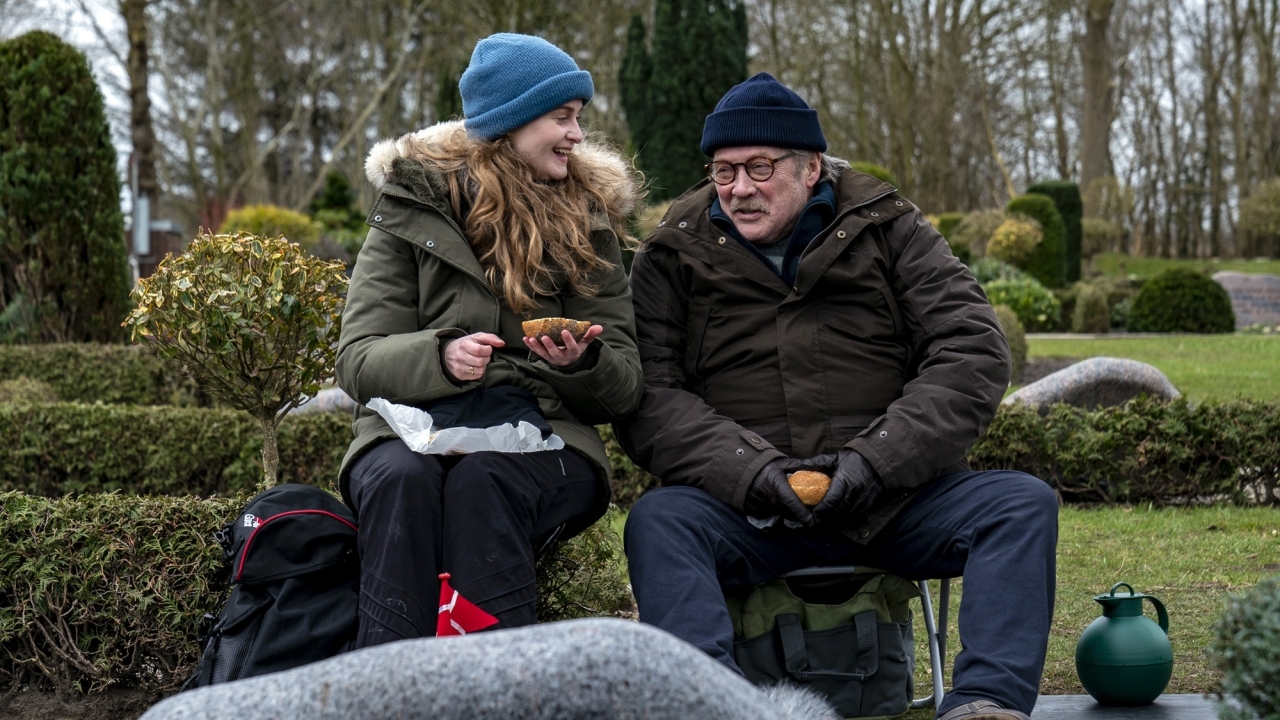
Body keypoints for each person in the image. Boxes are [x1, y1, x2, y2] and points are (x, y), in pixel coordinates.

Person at [616, 72, 1058, 720]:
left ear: (811, 167)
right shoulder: (671, 252)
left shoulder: (890, 228)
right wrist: (752, 471)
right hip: (748, 510)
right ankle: (708, 706)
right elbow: (650, 393)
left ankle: (985, 701)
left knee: (1021, 505)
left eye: (758, 168)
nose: (738, 189)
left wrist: (875, 462)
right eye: (723, 171)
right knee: (660, 523)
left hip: (891, 504)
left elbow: (972, 351)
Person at [335, 33, 643, 649]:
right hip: (407, 429)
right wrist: (441, 357)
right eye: (562, 117)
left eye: (578, 118)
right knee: (401, 481)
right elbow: (357, 359)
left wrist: (580, 364)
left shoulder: (588, 217)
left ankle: (497, 691)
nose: (577, 135)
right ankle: (388, 688)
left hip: (545, 435)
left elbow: (625, 387)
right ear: (511, 124)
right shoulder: (408, 208)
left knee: (484, 483)